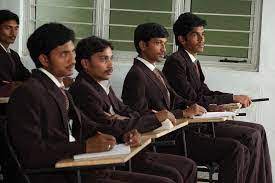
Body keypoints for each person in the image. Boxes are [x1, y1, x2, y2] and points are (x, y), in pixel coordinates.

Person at [7, 22, 176, 183]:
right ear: (44, 59)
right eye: (64, 54)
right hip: (59, 176)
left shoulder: (59, 89)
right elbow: (31, 154)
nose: (73, 60)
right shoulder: (28, 93)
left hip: (80, 170)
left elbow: (89, 126)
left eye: (72, 52)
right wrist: (84, 147)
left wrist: (125, 133)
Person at [122, 22, 250, 183]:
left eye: (164, 43)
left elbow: (177, 99)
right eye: (157, 43)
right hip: (166, 140)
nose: (163, 49)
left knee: (239, 148)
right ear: (142, 45)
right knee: (235, 149)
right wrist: (182, 113)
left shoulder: (155, 71)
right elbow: (140, 115)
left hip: (180, 132)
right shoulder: (137, 75)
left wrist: (206, 107)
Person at [69, 36, 197, 183]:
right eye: (104, 59)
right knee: (172, 177)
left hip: (128, 146)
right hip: (107, 159)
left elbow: (127, 111)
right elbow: (108, 126)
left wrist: (127, 123)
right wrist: (153, 118)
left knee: (188, 166)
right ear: (85, 63)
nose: (111, 65)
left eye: (111, 59)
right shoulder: (83, 89)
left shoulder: (101, 83)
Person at [162, 12, 272, 183]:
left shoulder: (193, 62)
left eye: (203, 34)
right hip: (192, 128)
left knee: (259, 130)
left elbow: (205, 93)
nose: (202, 39)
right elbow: (194, 99)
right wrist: (232, 97)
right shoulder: (175, 62)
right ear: (182, 39)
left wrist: (232, 100)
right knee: (250, 136)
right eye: (195, 35)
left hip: (205, 121)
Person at [0, 9, 30, 96]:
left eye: (16, 28)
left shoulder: (13, 55)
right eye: (8, 28)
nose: (13, 33)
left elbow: (26, 76)